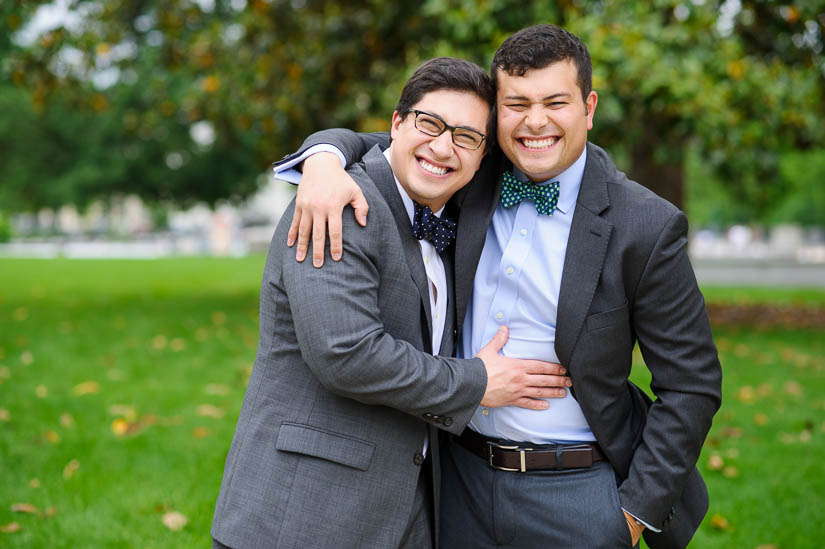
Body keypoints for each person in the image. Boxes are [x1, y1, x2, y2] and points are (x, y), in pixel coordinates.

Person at [272, 25, 722, 549]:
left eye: (556, 102)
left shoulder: (645, 225)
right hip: (457, 481)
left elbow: (691, 384)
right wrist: (323, 158)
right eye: (517, 104)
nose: (535, 121)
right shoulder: (470, 173)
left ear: (589, 107)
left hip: (577, 492)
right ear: (496, 114)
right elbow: (401, 144)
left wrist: (632, 512)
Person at [211, 57, 572, 549]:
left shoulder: (446, 210)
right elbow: (346, 355)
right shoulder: (338, 204)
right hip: (302, 518)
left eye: (466, 136)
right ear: (398, 123)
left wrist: (326, 149)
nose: (443, 147)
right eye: (430, 123)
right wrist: (479, 382)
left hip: (404, 515)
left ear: (483, 153)